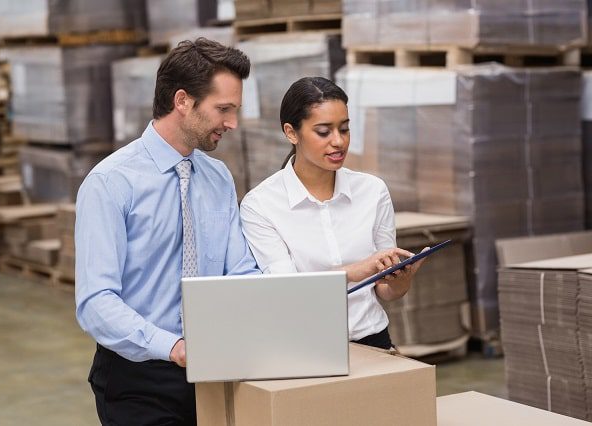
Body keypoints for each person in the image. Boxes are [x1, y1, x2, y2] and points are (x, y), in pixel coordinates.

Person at [75, 38, 259, 426]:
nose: (232, 124)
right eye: (223, 109)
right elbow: (96, 301)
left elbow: (240, 271)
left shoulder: (218, 178)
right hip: (137, 376)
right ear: (182, 101)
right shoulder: (110, 183)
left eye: (235, 110)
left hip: (213, 370)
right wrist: (174, 347)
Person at [240, 76, 425, 350]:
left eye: (345, 129)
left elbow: (385, 291)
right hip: (305, 348)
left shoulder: (372, 192)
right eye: (324, 132)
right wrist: (355, 270)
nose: (338, 142)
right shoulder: (261, 205)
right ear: (291, 132)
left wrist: (400, 280)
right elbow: (286, 289)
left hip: (374, 340)